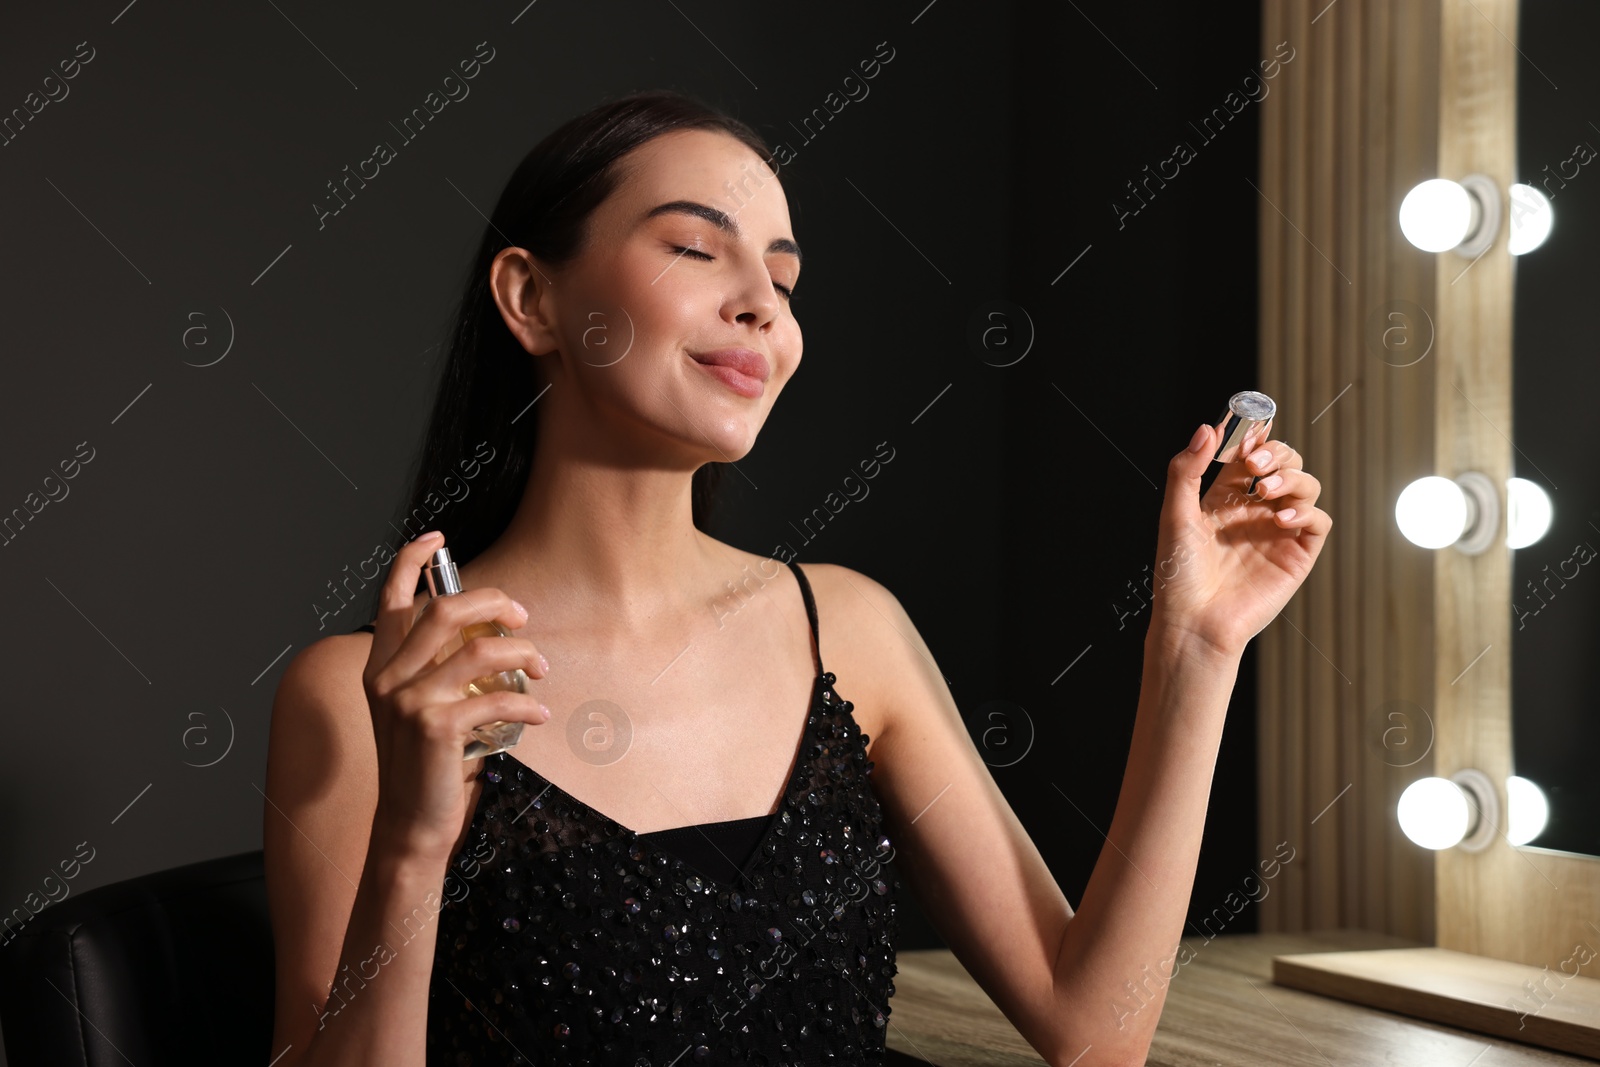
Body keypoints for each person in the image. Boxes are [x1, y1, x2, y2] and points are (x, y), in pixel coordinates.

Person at [262, 88, 1330, 1067]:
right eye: (695, 247)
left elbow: (1094, 1027)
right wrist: (412, 836)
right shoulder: (371, 693)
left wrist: (1196, 647)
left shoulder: (849, 627)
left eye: (783, 278)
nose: (761, 305)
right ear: (532, 298)